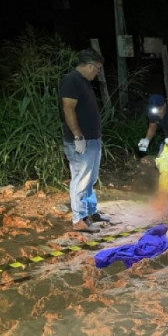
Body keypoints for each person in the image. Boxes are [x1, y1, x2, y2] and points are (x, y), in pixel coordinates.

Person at [58, 48, 108, 233]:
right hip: (81, 141)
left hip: (93, 139)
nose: (98, 73)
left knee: (90, 178)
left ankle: (91, 212)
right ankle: (79, 218)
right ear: (88, 65)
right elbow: (68, 109)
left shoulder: (83, 82)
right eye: (97, 69)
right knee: (81, 178)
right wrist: (78, 136)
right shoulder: (71, 81)